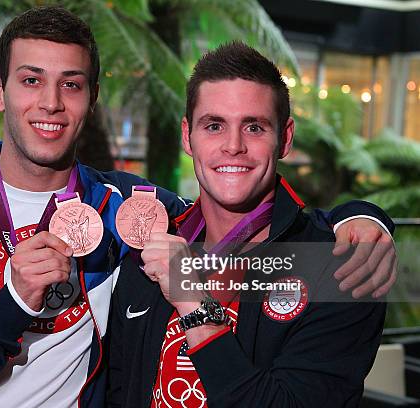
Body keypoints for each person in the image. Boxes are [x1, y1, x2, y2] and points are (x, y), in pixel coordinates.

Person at [0, 7, 394, 408]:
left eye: (70, 85)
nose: (50, 103)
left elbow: (259, 228)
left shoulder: (134, 216)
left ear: (91, 99)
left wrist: (363, 218)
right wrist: (10, 308)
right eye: (31, 80)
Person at [108, 42, 390, 407]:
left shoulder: (343, 267)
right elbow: (117, 392)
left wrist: (193, 300)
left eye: (254, 127)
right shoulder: (149, 253)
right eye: (214, 126)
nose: (233, 146)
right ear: (187, 136)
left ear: (284, 138)